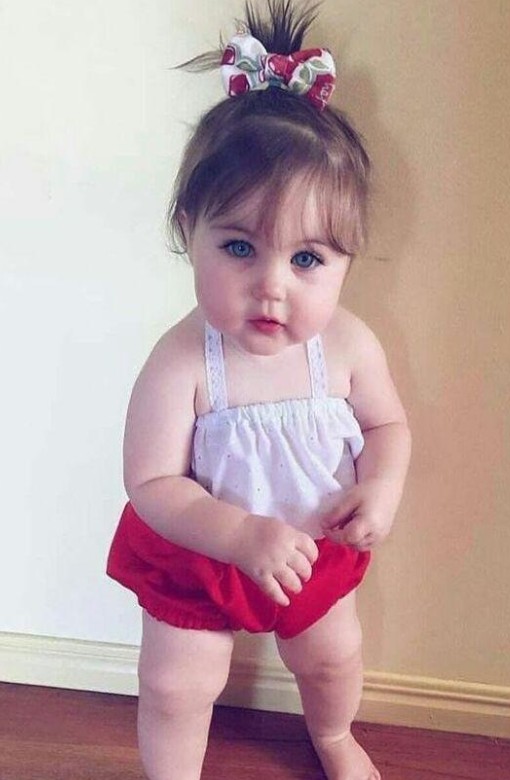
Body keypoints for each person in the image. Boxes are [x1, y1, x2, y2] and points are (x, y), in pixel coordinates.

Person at [107, 2, 411, 778]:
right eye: (240, 247)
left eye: (307, 260)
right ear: (190, 230)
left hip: (313, 547)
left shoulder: (349, 346)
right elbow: (151, 483)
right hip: (202, 557)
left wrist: (380, 490)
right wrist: (239, 536)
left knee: (332, 660)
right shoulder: (182, 363)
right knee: (175, 687)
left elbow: (388, 427)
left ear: (348, 258)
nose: (272, 286)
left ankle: (334, 737)